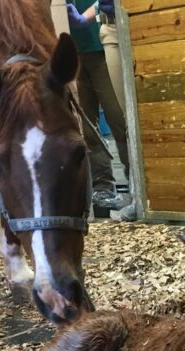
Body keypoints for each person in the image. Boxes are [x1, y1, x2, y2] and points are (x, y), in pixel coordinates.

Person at [66, 1, 132, 214]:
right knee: (86, 127)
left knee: (119, 119)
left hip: (103, 47)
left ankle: (135, 186)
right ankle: (102, 186)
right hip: (72, 55)